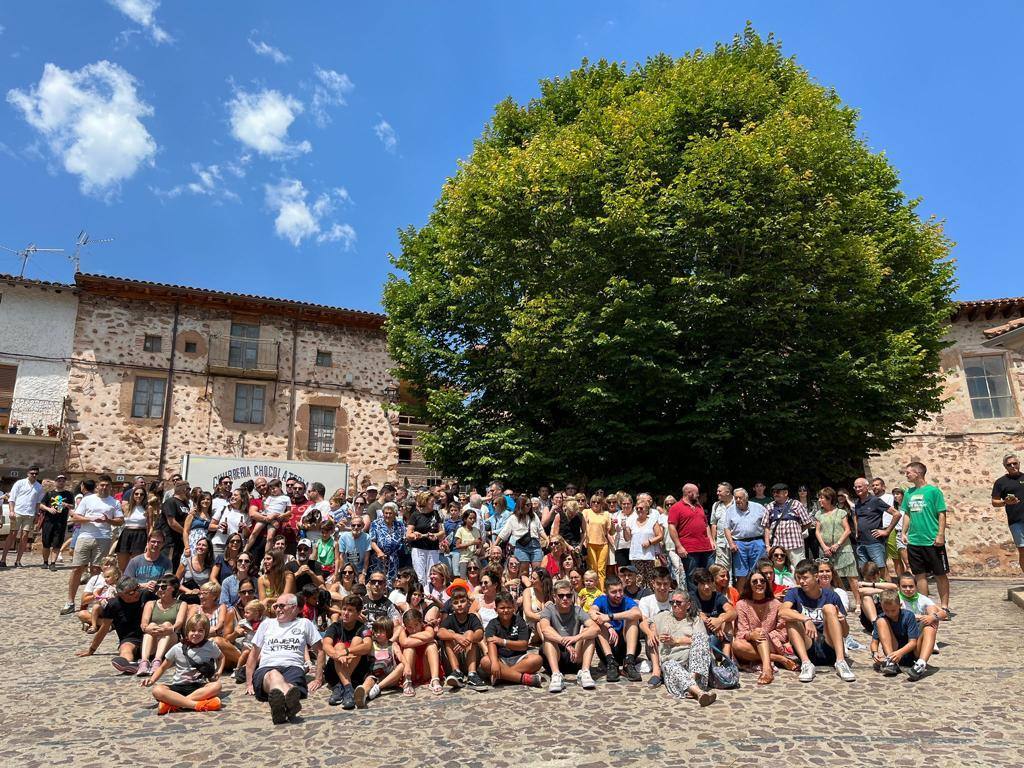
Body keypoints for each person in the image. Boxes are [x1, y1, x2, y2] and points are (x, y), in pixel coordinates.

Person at [245, 592, 324, 724]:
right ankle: (290, 704)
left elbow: (320, 650)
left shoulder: (304, 623)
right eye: (275, 606)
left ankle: (280, 707)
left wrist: (318, 679)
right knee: (274, 675)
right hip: (267, 668)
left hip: (293, 667)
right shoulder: (267, 624)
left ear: (293, 607)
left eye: (281, 606)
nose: (277, 609)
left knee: (287, 685)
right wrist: (249, 682)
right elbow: (253, 654)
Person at [780, 559, 855, 683]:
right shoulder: (794, 593)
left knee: (829, 608)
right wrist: (805, 619)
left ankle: (841, 662)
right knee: (791, 616)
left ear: (816, 577)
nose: (802, 582)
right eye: (799, 578)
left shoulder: (831, 595)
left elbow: (845, 633)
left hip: (829, 646)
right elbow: (782, 612)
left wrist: (842, 621)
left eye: (805, 578)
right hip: (807, 645)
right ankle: (806, 664)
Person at [62, 476, 124, 616]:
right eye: (102, 485)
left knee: (97, 571)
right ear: (97, 486)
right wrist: (91, 519)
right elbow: (75, 517)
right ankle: (70, 601)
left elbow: (120, 521)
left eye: (107, 485)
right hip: (85, 536)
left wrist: (109, 520)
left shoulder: (114, 502)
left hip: (103, 537)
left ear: (111, 487)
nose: (104, 487)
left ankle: (92, 602)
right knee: (77, 568)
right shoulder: (87, 499)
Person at [142, 613, 223, 714]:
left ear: (205, 632)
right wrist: (152, 680)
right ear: (187, 631)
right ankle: (196, 705)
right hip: (179, 686)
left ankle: (173, 704)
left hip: (199, 686)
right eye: (193, 630)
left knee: (217, 686)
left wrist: (218, 671)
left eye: (200, 631)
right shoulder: (177, 648)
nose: (196, 633)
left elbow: (221, 657)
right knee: (157, 690)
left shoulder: (210, 646)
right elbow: (163, 667)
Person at [901, 461, 951, 614]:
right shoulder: (908, 493)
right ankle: (925, 606)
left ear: (918, 473)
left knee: (940, 574)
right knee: (919, 574)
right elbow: (907, 513)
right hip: (914, 541)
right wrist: (904, 532)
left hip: (932, 540)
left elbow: (941, 513)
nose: (906, 475)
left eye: (909, 472)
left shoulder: (933, 492)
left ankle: (944, 607)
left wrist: (940, 534)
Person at [732, 570, 797, 685]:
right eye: (755, 581)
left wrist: (765, 635)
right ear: (749, 585)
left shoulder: (776, 604)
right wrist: (751, 635)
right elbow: (741, 632)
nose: (759, 583)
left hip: (773, 643)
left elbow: (782, 632)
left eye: (762, 581)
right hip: (751, 643)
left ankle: (767, 670)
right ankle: (779, 659)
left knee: (760, 632)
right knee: (737, 645)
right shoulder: (742, 604)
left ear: (767, 584)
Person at [653, 589, 716, 705]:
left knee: (701, 638)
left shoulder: (695, 620)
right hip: (673, 665)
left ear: (688, 605)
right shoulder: (663, 616)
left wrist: (676, 640)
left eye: (679, 602)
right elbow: (644, 622)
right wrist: (650, 632)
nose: (675, 605)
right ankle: (699, 692)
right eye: (672, 602)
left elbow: (701, 641)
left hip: (695, 669)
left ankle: (692, 683)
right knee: (669, 664)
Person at [538, 578, 600, 692]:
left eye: (568, 595)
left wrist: (575, 638)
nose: (565, 598)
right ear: (554, 596)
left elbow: (596, 628)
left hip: (575, 655)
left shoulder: (578, 610)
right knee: (548, 638)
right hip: (556, 655)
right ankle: (556, 674)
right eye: (561, 596)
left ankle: (585, 672)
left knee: (589, 634)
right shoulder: (549, 610)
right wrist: (564, 642)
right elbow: (545, 629)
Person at [76, 576, 146, 673]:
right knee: (125, 649)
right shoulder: (114, 604)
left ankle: (150, 662)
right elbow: (104, 628)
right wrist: (91, 650)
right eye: (122, 595)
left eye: (131, 593)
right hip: (130, 639)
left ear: (137, 588)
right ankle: (129, 665)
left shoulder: (147, 596)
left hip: (150, 635)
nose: (128, 597)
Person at [480, 591, 546, 688]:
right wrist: (494, 662)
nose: (506, 610)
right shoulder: (492, 624)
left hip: (518, 658)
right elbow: (491, 643)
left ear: (514, 608)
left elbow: (523, 645)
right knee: (485, 662)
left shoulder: (520, 622)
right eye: (502, 608)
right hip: (500, 659)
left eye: (509, 607)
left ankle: (502, 676)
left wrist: (503, 642)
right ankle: (522, 678)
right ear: (495, 609)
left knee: (537, 660)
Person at [590, 575, 643, 682]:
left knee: (632, 619)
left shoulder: (627, 601)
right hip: (608, 648)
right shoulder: (601, 600)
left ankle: (629, 662)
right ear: (606, 592)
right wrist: (608, 625)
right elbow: (592, 612)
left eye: (620, 590)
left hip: (626, 646)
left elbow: (637, 613)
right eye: (614, 592)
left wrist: (610, 616)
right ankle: (611, 662)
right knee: (598, 623)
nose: (618, 595)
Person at [814, 487, 861, 607]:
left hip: (843, 549)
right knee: (830, 577)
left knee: (852, 576)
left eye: (822, 498)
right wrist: (824, 546)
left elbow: (847, 530)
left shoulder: (841, 512)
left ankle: (859, 603)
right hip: (826, 551)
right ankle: (835, 601)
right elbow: (817, 532)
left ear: (829, 499)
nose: (820, 500)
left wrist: (838, 543)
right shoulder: (819, 514)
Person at [322, 595, 372, 708]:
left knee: (357, 641)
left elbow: (368, 646)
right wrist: (338, 656)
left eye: (350, 610)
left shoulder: (363, 628)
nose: (345, 613)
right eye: (344, 609)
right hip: (334, 670)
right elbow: (326, 645)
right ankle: (348, 689)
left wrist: (347, 651)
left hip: (356, 671)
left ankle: (342, 686)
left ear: (358, 613)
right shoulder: (335, 627)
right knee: (338, 645)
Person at [870, 590, 931, 681]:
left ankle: (920, 664)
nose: (890, 613)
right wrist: (875, 653)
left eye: (893, 610)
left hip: (911, 653)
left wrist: (900, 653)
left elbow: (913, 642)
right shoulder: (881, 617)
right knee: (881, 621)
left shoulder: (908, 615)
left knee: (929, 628)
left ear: (900, 605)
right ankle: (891, 663)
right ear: (881, 607)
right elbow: (874, 642)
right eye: (886, 610)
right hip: (894, 653)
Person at [667, 483, 714, 594]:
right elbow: (671, 527)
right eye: (696, 493)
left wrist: (711, 540)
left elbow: (706, 524)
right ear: (689, 493)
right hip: (690, 549)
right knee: (693, 577)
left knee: (709, 575)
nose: (698, 495)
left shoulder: (699, 507)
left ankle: (708, 599)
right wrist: (678, 546)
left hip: (706, 548)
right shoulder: (676, 507)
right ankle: (695, 603)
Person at [438, 585, 486, 689]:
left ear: (468, 603)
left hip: (470, 656)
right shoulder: (450, 619)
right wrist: (456, 637)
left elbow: (480, 633)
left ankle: (472, 674)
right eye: (456, 603)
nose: (459, 605)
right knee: (448, 633)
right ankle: (456, 672)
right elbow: (440, 632)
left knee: (470, 633)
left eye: (462, 601)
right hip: (454, 658)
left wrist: (467, 640)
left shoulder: (472, 617)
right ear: (452, 606)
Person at [851, 477, 902, 573]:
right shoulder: (857, 503)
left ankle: (889, 588)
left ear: (866, 487)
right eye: (855, 487)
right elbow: (857, 518)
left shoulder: (875, 501)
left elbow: (897, 514)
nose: (857, 489)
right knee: (865, 571)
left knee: (881, 569)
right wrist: (857, 532)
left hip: (874, 542)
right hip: (861, 542)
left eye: (860, 487)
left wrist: (887, 531)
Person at [138, 575, 186, 676]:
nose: (160, 590)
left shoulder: (181, 604)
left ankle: (157, 660)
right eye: (157, 587)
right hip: (153, 640)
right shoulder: (150, 604)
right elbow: (144, 623)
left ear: (173, 588)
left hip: (170, 639)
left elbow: (179, 623)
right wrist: (149, 628)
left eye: (163, 587)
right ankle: (144, 661)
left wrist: (169, 628)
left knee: (167, 624)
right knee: (150, 626)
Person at [724, 488, 767, 592]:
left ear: (746, 498)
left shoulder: (758, 507)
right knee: (741, 573)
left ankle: (758, 596)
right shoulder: (730, 510)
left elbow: (767, 526)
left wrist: (767, 543)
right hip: (739, 544)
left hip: (757, 542)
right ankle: (740, 599)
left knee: (758, 571)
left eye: (740, 498)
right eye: (736, 498)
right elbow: (726, 528)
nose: (738, 500)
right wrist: (731, 543)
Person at [1, 466, 44, 569]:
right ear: (28, 473)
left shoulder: (39, 487)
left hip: (29, 514)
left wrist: (37, 515)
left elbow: (38, 503)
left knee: (25, 537)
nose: (34, 475)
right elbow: (12, 498)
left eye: (36, 474)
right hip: (18, 512)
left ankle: (18, 560)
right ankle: (3, 559)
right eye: (32, 473)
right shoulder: (20, 483)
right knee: (12, 534)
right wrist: (11, 511)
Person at [762, 483, 814, 566]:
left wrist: (798, 531)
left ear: (785, 493)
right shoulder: (770, 506)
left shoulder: (796, 504)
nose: (775, 494)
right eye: (774, 492)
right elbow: (766, 528)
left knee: (798, 570)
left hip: (795, 545)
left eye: (778, 492)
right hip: (777, 547)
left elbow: (807, 522)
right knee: (778, 572)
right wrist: (768, 546)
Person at [397, 607, 444, 695]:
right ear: (405, 626)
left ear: (421, 623)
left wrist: (411, 636)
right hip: (412, 669)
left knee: (432, 646)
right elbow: (405, 643)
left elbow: (430, 635)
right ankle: (407, 681)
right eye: (410, 627)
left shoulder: (427, 626)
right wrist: (424, 639)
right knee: (408, 649)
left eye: (416, 625)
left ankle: (435, 680)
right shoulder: (403, 631)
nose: (414, 630)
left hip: (425, 667)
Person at [691, 567, 736, 656]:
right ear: (697, 585)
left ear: (713, 583)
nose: (707, 586)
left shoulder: (718, 596)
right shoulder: (692, 597)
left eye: (709, 582)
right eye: (703, 584)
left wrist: (720, 620)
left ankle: (726, 660)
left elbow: (733, 612)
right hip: (701, 638)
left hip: (720, 637)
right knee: (698, 618)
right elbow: (700, 616)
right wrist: (714, 626)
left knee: (726, 619)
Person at [992, 453, 1024, 574]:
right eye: (1009, 464)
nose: (1012, 466)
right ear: (1005, 466)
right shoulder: (1001, 482)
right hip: (1016, 521)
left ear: (1019, 464)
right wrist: (1005, 502)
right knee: (1022, 550)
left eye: (1014, 463)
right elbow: (994, 501)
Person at [624, 494, 664, 586]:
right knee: (638, 581)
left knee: (651, 580)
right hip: (636, 555)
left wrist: (650, 542)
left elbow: (660, 536)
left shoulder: (652, 520)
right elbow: (627, 538)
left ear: (647, 510)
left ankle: (651, 598)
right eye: (637, 508)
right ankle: (640, 598)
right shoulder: (631, 521)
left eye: (641, 508)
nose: (639, 510)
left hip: (649, 556)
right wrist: (624, 529)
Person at [498, 497, 545, 572]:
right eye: (527, 505)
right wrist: (495, 544)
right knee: (523, 572)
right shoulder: (513, 518)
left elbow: (540, 529)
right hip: (521, 547)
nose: (530, 507)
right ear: (521, 505)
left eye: (530, 505)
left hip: (535, 545)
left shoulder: (534, 515)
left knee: (538, 572)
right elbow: (504, 533)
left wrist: (547, 539)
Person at [38, 472, 73, 570]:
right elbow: (41, 505)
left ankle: (53, 563)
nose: (61, 482)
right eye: (59, 481)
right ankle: (45, 562)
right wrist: (48, 509)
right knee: (46, 544)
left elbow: (72, 506)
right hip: (49, 522)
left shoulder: (69, 494)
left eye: (63, 481)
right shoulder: (49, 493)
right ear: (55, 482)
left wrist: (67, 505)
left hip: (61, 522)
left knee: (57, 544)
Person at [369, 501, 405, 585]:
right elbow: (372, 541)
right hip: (379, 558)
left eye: (390, 513)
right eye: (386, 513)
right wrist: (379, 552)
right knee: (378, 581)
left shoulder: (400, 525)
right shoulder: (376, 524)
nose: (388, 515)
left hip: (394, 559)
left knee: (392, 582)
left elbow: (404, 538)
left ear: (395, 514)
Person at [582, 495, 613, 590]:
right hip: (590, 544)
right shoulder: (586, 512)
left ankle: (601, 591)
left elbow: (609, 531)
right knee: (592, 569)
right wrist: (583, 542)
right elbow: (583, 529)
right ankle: (592, 590)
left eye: (598, 502)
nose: (596, 504)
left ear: (601, 504)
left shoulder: (606, 514)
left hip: (603, 544)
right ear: (590, 503)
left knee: (601, 569)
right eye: (593, 502)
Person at [157, 480, 190, 567]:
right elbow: (172, 522)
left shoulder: (185, 505)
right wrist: (185, 533)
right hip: (170, 542)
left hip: (180, 543)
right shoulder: (170, 502)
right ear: (185, 489)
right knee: (168, 567)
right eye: (189, 489)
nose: (190, 492)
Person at [338, 514, 372, 580]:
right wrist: (341, 572)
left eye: (359, 525)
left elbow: (366, 558)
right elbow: (341, 557)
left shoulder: (367, 537)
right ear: (350, 526)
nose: (356, 527)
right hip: (346, 569)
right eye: (353, 525)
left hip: (360, 570)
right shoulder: (343, 537)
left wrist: (363, 574)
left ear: (363, 526)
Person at [708, 482, 734, 569]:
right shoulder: (716, 505)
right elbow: (713, 524)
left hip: (736, 542)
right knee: (723, 569)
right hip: (721, 543)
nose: (717, 493)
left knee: (738, 569)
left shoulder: (737, 503)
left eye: (719, 491)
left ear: (728, 492)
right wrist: (713, 540)